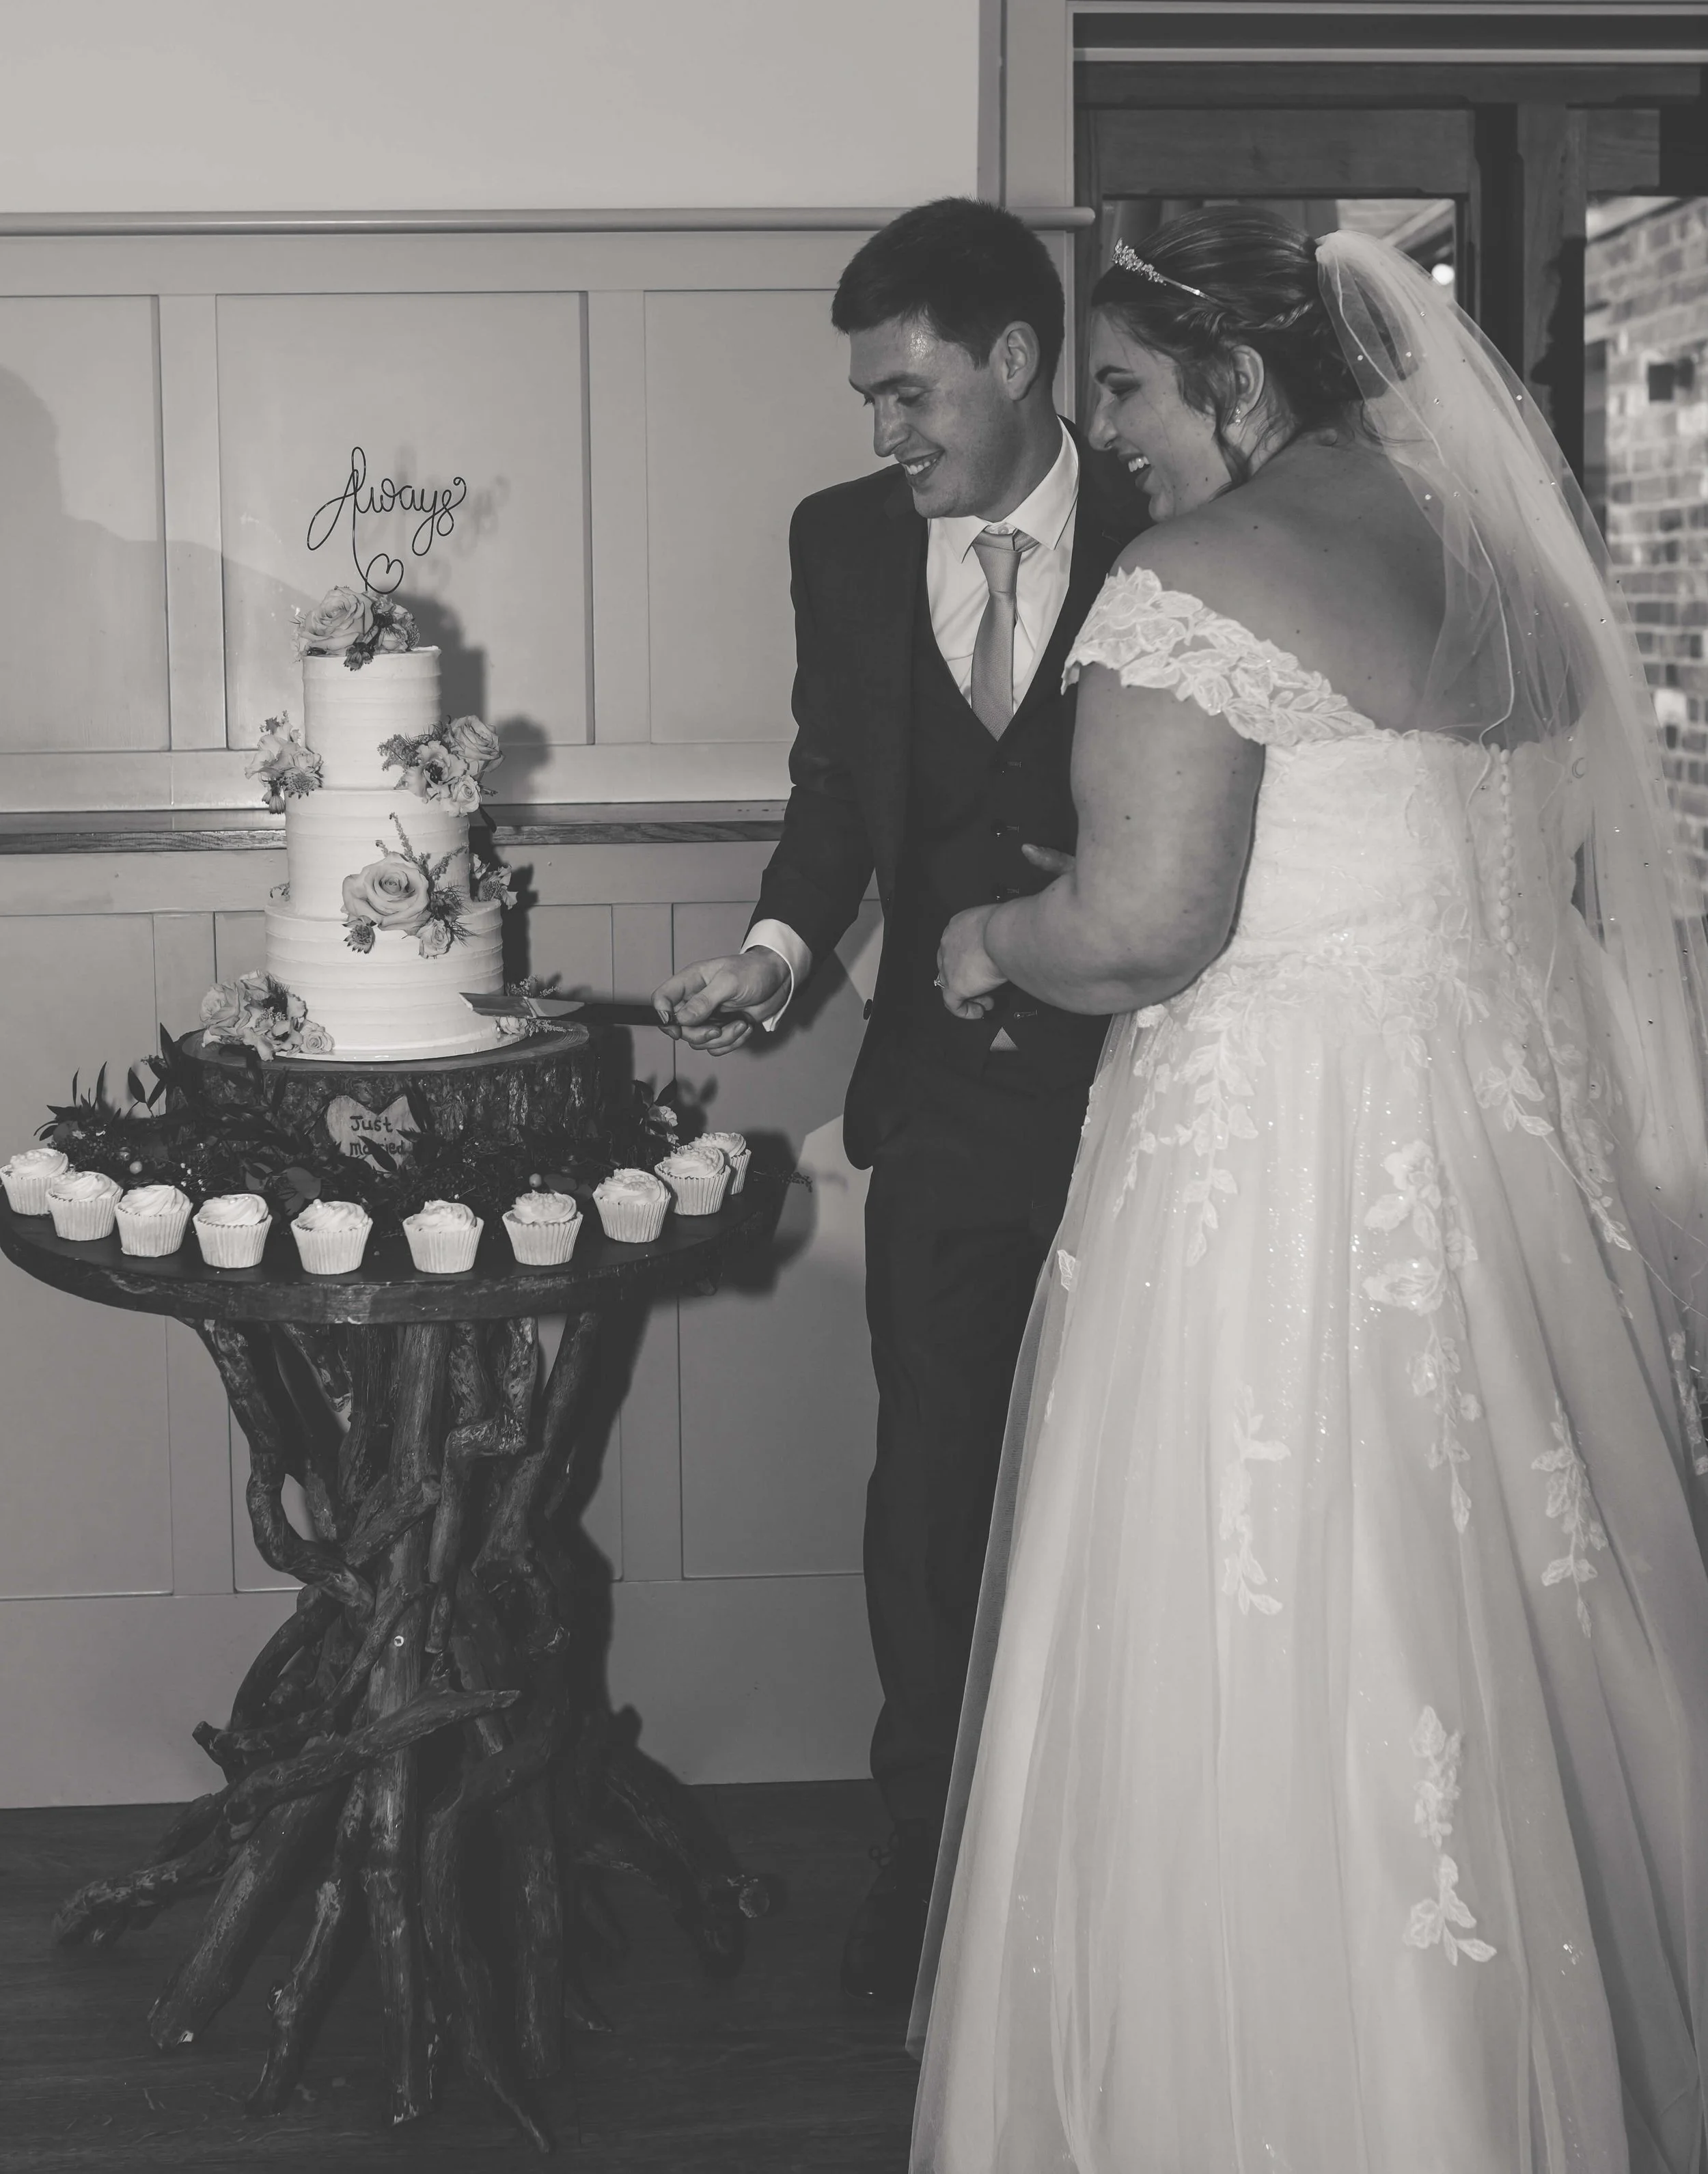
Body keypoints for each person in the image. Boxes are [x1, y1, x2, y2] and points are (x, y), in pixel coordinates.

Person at [912, 208, 1708, 2171]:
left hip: (1275, 1177)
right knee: (1489, 1607)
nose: (1108, 436)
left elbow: (1145, 926)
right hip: (1485, 1166)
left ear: (1239, 375)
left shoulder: (1194, 577)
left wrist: (990, 942)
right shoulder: (1493, 557)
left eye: (1126, 390)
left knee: (1276, 1603)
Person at [651, 198, 1138, 2004]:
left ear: (1014, 359)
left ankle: (1130, 1861)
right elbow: (837, 788)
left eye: (909, 392)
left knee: (1148, 1471)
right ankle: (928, 1865)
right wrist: (777, 948)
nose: (885, 432)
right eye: (870, 399)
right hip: (941, 1105)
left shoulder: (1179, 518)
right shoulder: (842, 541)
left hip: (1157, 1086)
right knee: (930, 1487)